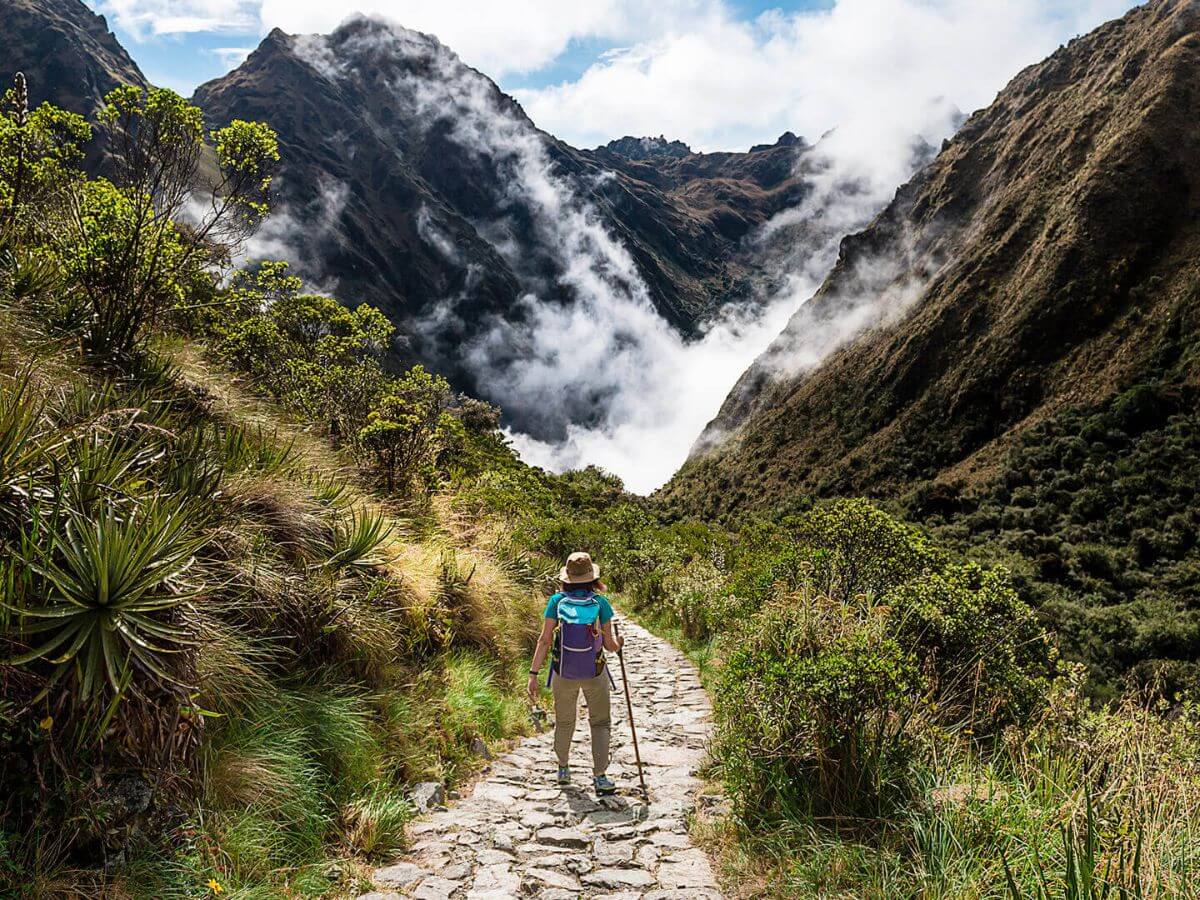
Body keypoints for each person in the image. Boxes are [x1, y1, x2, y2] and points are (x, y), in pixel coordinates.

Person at [528, 551, 624, 796]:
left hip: (564, 672)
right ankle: (600, 777)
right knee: (600, 723)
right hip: (595, 672)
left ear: (567, 577)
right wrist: (619, 643)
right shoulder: (600, 603)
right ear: (592, 577)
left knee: (565, 721)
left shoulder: (556, 602)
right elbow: (609, 646)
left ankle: (563, 769)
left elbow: (544, 640)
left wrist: (533, 673)